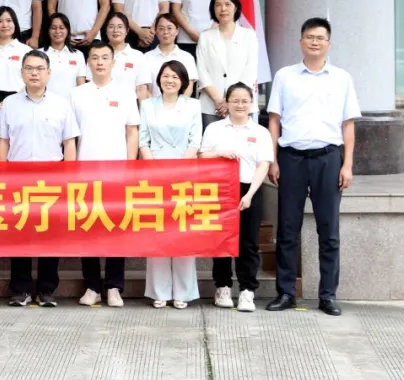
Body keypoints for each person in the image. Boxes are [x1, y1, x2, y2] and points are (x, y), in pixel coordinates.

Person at [266, 17, 361, 317]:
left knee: (329, 230)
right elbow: (274, 121)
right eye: (309, 37)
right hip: (291, 158)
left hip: (328, 158)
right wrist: (273, 160)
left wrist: (347, 164)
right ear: (301, 42)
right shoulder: (285, 76)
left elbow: (348, 124)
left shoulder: (342, 78)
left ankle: (328, 295)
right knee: (287, 228)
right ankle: (286, 293)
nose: (315, 42)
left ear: (328, 44)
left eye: (320, 38)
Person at [0, 50, 78, 307]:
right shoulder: (9, 103)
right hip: (18, 177)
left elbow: (69, 143)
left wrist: (69, 177)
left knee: (49, 235)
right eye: (29, 68)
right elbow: (3, 141)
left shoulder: (61, 104)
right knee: (19, 233)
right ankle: (20, 290)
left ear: (49, 73)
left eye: (39, 68)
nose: (34, 73)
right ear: (22, 72)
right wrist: (3, 174)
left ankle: (46, 290)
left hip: (51, 178)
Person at [69, 41, 139, 307]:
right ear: (88, 63)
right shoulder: (77, 94)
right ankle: (91, 286)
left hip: (117, 172)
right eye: (95, 58)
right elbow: (71, 136)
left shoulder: (125, 92)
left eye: (104, 58)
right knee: (88, 228)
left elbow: (132, 132)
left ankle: (114, 287)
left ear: (113, 62)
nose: (99, 62)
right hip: (85, 171)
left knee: (116, 228)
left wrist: (130, 166)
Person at [200, 82, 274, 313]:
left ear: (251, 103)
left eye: (244, 101)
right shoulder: (215, 129)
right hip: (220, 190)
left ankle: (247, 290)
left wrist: (250, 194)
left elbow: (263, 165)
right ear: (227, 103)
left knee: (248, 243)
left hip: (249, 188)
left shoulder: (260, 132)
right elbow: (202, 157)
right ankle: (222, 287)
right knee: (221, 241)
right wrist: (218, 154)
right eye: (235, 100)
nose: (240, 105)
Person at [138, 61, 202, 309]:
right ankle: (159, 291)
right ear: (159, 79)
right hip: (154, 173)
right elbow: (143, 140)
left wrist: (178, 169)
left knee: (183, 231)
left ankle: (183, 292)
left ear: (183, 81)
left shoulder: (193, 105)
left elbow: (195, 141)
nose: (170, 80)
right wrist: (156, 168)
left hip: (185, 173)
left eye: (175, 76)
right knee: (158, 232)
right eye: (165, 76)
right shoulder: (148, 105)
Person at [196, 0, 258, 127]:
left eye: (227, 4)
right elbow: (202, 72)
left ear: (235, 7)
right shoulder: (205, 37)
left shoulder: (249, 36)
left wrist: (231, 101)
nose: (223, 9)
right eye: (218, 5)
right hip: (212, 106)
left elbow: (250, 70)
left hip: (241, 104)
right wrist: (219, 101)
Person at [0, 7, 32, 110]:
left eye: (9, 21)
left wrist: (15, 100)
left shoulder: (26, 51)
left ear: (15, 24)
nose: (4, 25)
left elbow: (31, 79)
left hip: (20, 102)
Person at [103, 11, 152, 101]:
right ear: (106, 30)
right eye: (111, 26)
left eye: (120, 27)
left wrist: (142, 109)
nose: (115, 30)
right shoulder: (98, 54)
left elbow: (142, 90)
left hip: (129, 107)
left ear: (127, 31)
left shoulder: (138, 56)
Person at [145, 14, 197, 97]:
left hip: (180, 104)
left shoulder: (187, 57)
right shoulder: (146, 57)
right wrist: (155, 103)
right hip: (152, 103)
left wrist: (178, 104)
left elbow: (189, 87)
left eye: (169, 28)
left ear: (177, 31)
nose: (165, 32)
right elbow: (143, 88)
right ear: (156, 32)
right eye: (161, 28)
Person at [44, 13, 87, 99]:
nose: (57, 31)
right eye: (53, 28)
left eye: (61, 28)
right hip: (45, 103)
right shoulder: (39, 54)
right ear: (48, 30)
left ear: (68, 30)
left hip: (70, 104)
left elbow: (81, 86)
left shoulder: (78, 55)